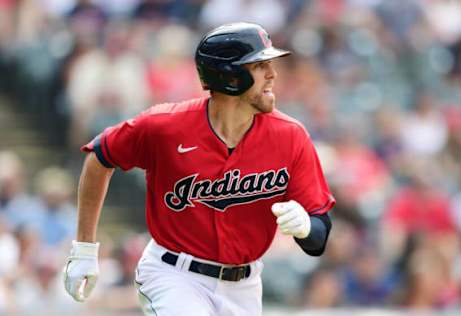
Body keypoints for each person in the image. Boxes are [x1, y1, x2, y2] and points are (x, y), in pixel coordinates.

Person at [63, 22, 335, 316]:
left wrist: (306, 227)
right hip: (174, 275)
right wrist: (85, 249)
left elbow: (318, 237)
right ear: (229, 76)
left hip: (245, 285)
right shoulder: (165, 126)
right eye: (259, 66)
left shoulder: (290, 136)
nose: (273, 74)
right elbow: (100, 157)